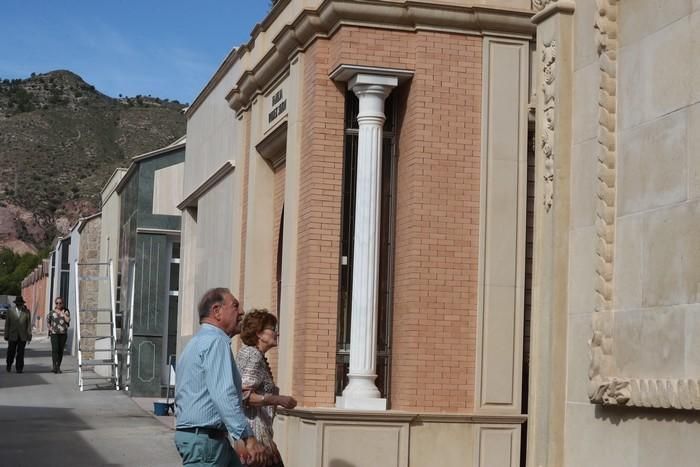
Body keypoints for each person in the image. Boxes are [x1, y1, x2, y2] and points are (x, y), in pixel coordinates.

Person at [174, 287, 266, 467]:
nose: (241, 312)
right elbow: (223, 394)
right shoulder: (216, 342)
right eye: (235, 306)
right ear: (216, 311)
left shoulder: (199, 341)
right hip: (205, 442)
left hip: (209, 439)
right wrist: (246, 437)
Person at [237, 309, 297, 467]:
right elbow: (243, 395)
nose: (276, 333)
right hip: (254, 438)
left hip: (261, 435)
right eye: (272, 329)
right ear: (259, 333)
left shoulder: (256, 355)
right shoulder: (252, 355)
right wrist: (279, 399)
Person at [4, 296, 32, 373]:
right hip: (12, 335)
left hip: (22, 336)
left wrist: (29, 335)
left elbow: (28, 325)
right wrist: (6, 335)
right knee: (11, 352)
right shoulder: (10, 311)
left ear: (22, 304)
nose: (19, 305)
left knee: (21, 353)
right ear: (16, 304)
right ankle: (9, 364)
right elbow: (7, 324)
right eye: (18, 304)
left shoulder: (27, 312)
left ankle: (19, 368)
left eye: (21, 304)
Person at [47, 296, 71, 373]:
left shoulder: (66, 311)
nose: (58, 304)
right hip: (54, 334)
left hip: (63, 334)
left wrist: (62, 313)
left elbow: (68, 320)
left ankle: (58, 367)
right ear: (55, 303)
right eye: (57, 303)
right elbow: (48, 321)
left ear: (62, 303)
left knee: (60, 351)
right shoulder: (52, 312)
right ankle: (54, 366)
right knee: (55, 350)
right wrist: (49, 328)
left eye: (60, 303)